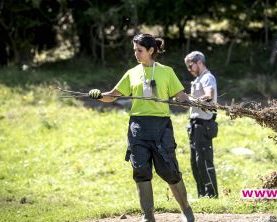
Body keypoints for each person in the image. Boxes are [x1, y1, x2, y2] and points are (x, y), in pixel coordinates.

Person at [88, 33, 194, 222]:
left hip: (162, 127)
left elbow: (181, 97)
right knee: (141, 171)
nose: (136, 54)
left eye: (140, 50)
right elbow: (112, 96)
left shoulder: (167, 72)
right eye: (135, 50)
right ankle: (148, 216)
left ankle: (186, 210)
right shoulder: (132, 73)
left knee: (169, 170)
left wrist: (193, 102)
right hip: (138, 127)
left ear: (151, 50)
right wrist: (98, 95)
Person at [184, 51, 218, 198]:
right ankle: (201, 194)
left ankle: (212, 194)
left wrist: (192, 101)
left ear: (199, 62)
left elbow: (209, 96)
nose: (189, 69)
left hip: (204, 125)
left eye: (190, 66)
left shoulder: (207, 78)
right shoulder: (198, 79)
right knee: (195, 162)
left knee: (204, 160)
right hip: (194, 125)